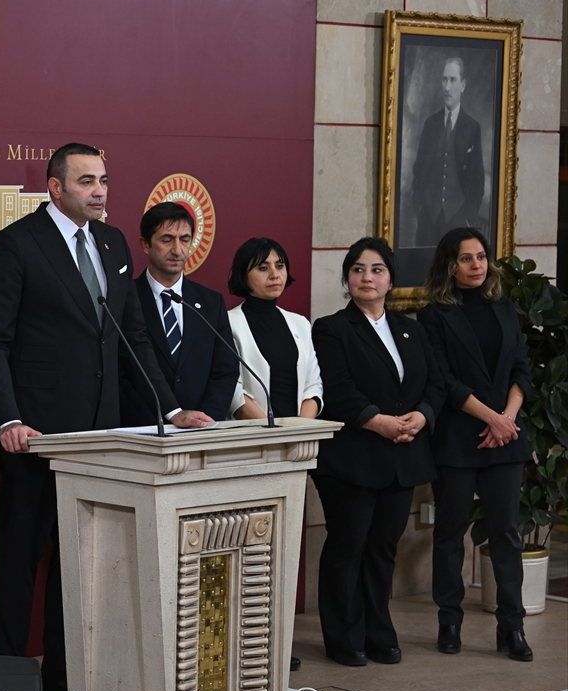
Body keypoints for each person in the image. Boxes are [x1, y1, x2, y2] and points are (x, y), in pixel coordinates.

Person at [0, 143, 211, 691]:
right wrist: (7, 418)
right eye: (86, 181)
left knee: (79, 565)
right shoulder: (16, 244)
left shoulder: (112, 242)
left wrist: (170, 408)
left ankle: (65, 679)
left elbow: (133, 338)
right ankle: (7, 687)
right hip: (37, 435)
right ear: (56, 187)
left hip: (101, 436)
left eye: (103, 180)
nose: (100, 190)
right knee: (20, 563)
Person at [311, 238, 444, 667]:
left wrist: (422, 416)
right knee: (348, 546)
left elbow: (435, 383)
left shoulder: (412, 328)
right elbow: (337, 390)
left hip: (402, 456)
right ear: (347, 279)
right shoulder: (332, 328)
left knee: (383, 548)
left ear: (390, 279)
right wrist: (379, 421)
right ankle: (343, 637)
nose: (367, 277)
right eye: (358, 270)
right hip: (352, 458)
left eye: (377, 270)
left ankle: (377, 631)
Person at [417, 227, 534, 661]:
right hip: (458, 438)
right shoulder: (433, 315)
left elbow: (521, 368)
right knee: (450, 533)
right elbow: (444, 381)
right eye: (466, 259)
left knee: (506, 534)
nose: (476, 265)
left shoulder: (503, 307)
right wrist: (492, 419)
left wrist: (507, 419)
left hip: (506, 436)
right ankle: (449, 621)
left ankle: (512, 626)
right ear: (450, 265)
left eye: (481, 257)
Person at [120, 202, 238, 425]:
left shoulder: (211, 303)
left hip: (200, 431)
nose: (177, 250)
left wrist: (205, 420)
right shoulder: (124, 299)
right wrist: (161, 420)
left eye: (184, 239)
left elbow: (226, 370)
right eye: (167, 240)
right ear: (145, 244)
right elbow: (120, 372)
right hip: (144, 429)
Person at [226, 237, 323, 422]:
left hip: (300, 434)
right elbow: (233, 391)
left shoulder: (300, 323)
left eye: (279, 266)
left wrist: (301, 429)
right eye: (263, 268)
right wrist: (272, 432)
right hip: (253, 433)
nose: (274, 275)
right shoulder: (228, 323)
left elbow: (313, 386)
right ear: (243, 274)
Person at [411, 57, 486, 246]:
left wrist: (467, 216)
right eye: (444, 79)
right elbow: (418, 169)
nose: (447, 87)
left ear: (463, 85)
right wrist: (419, 207)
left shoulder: (472, 128)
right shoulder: (430, 124)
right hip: (428, 219)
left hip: (457, 220)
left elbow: (478, 179)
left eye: (452, 80)